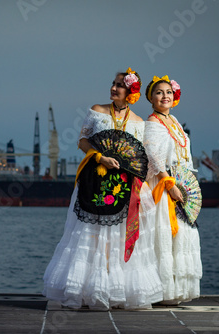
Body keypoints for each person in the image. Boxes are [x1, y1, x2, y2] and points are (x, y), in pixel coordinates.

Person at [43, 68, 163, 310]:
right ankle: (84, 291)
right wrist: (100, 158)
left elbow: (140, 156)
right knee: (89, 234)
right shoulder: (97, 111)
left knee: (116, 239)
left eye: (120, 85)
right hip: (94, 180)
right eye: (113, 83)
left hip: (123, 186)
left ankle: (113, 291)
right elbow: (82, 141)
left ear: (130, 93)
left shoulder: (139, 123)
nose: (113, 88)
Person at [143, 75, 202, 304]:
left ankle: (176, 291)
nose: (164, 96)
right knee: (163, 234)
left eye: (168, 92)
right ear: (151, 98)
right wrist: (170, 184)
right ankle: (160, 291)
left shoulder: (175, 121)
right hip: (163, 185)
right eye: (159, 92)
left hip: (180, 184)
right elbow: (153, 157)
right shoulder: (152, 123)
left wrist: (183, 184)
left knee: (182, 236)